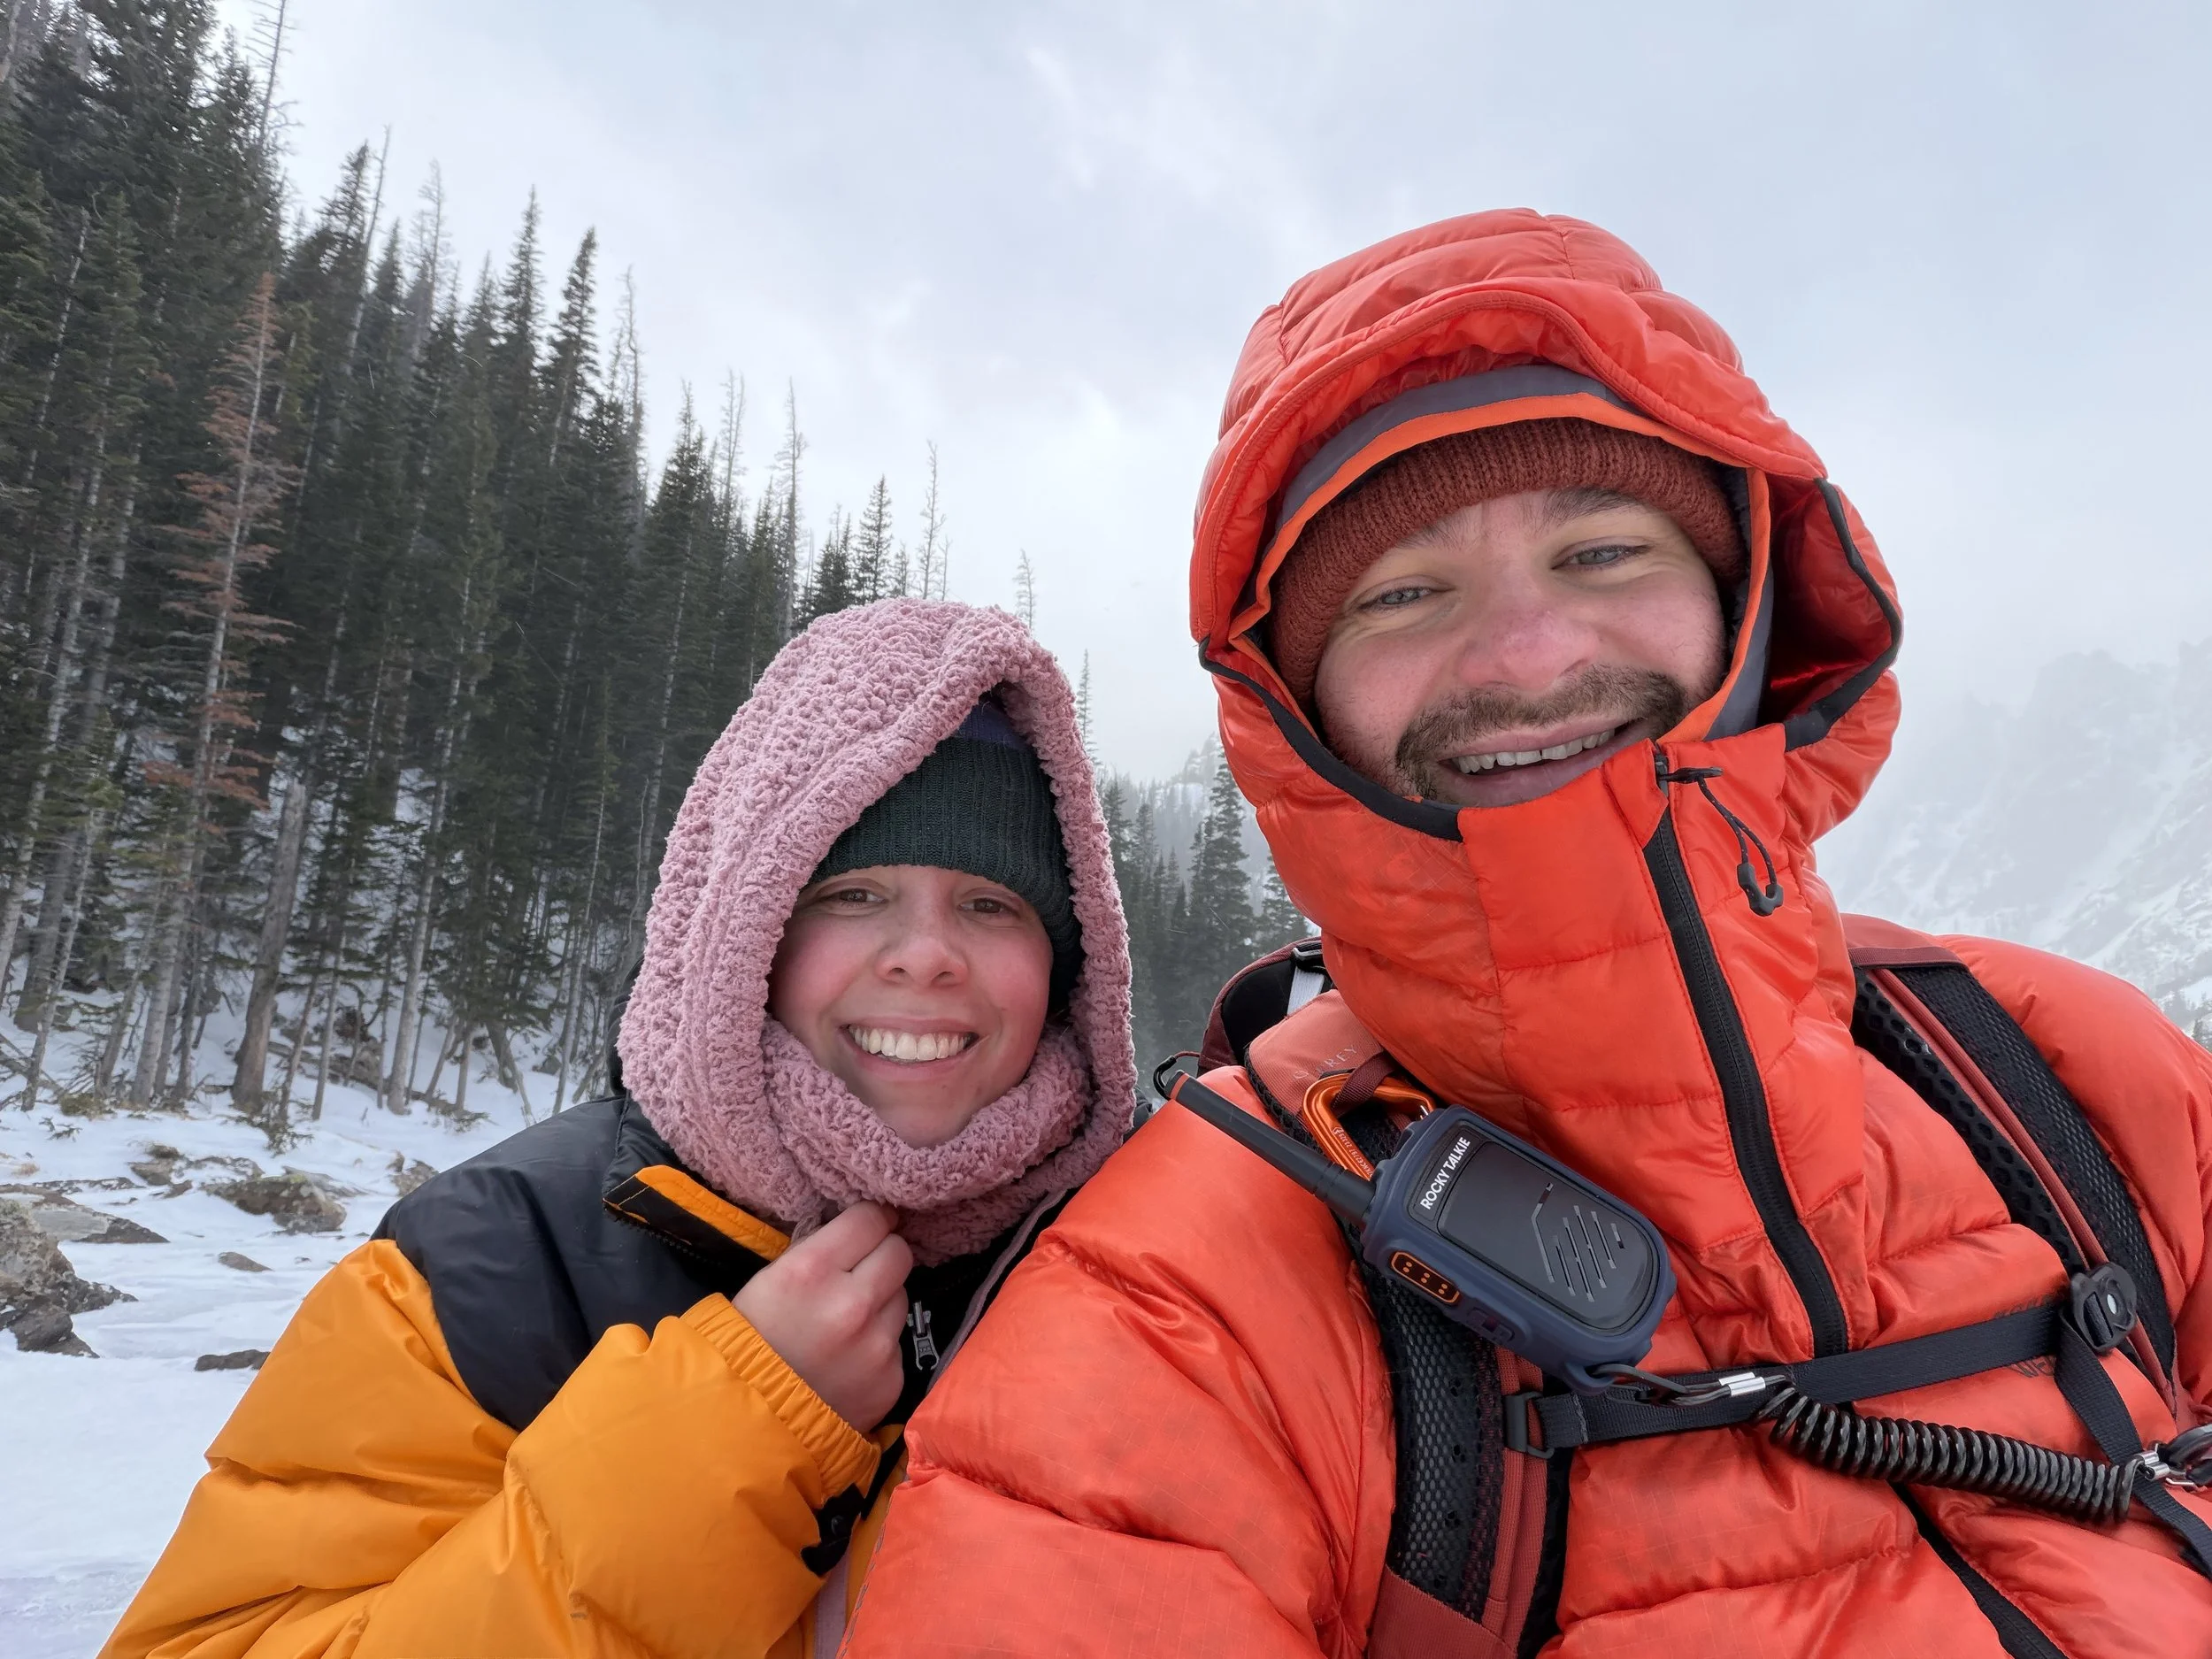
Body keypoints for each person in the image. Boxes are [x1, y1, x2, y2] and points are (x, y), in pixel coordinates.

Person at [842, 212, 2212, 1655]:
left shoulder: (2067, 1074)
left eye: (1604, 549)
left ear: (1745, 609)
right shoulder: (1182, 1307)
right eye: (1406, 592)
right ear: (1301, 714)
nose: (1527, 655)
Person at [101, 598, 1136, 1659]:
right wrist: (738, 1431)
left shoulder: (1159, 1260)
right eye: (854, 893)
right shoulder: (491, 1266)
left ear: (1070, 962)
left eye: (991, 906)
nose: (925, 957)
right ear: (746, 932)